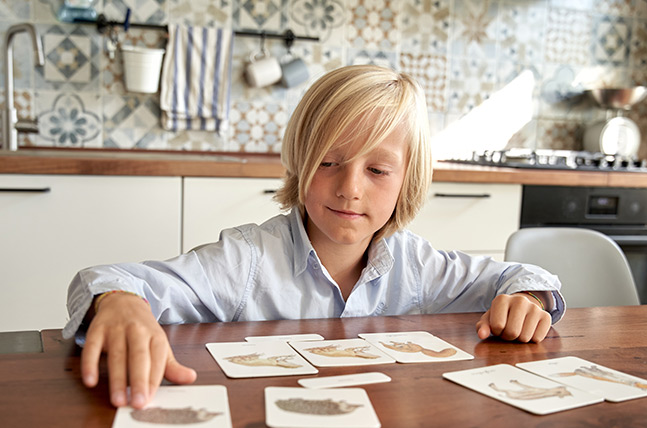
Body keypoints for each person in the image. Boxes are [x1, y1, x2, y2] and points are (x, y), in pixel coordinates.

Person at [64, 65, 565, 409]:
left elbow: (519, 276)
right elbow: (110, 278)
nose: (350, 188)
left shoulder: (418, 265)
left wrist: (527, 296)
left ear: (406, 179)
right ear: (301, 162)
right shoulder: (248, 260)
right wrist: (120, 302)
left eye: (377, 169)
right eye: (329, 162)